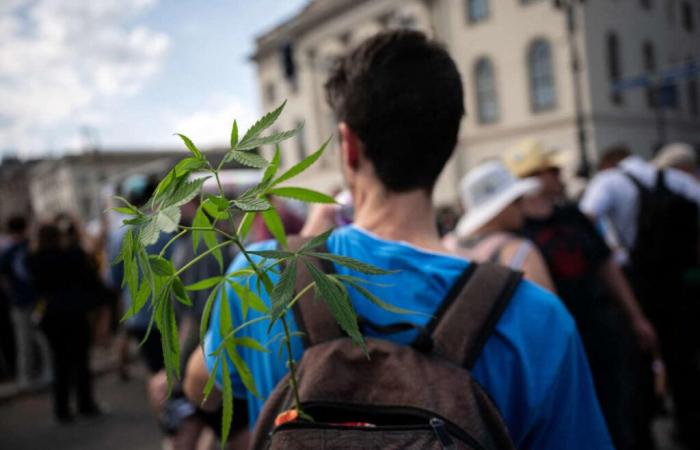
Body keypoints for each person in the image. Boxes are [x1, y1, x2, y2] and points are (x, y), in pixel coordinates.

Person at [184, 30, 612, 449]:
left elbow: (200, 385)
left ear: (348, 146)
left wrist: (299, 255)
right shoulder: (535, 317)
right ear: (449, 148)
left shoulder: (260, 276)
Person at [504, 138, 660, 450]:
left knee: (622, 414)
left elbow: (606, 266)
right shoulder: (515, 230)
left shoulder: (572, 216)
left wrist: (636, 316)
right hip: (557, 348)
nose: (561, 174)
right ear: (532, 176)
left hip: (600, 333)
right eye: (553, 169)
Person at [580, 144, 700, 449]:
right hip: (679, 283)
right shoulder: (672, 178)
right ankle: (689, 428)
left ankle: (643, 436)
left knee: (639, 363)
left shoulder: (609, 182)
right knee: (683, 359)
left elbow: (587, 219)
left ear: (607, 163)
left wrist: (612, 253)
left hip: (637, 282)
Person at [28, 218, 104, 423]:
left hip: (51, 314)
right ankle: (85, 403)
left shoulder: (34, 258)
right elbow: (90, 276)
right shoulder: (71, 255)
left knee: (59, 362)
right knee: (80, 360)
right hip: (74, 312)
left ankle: (62, 409)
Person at [443, 160, 555, 292]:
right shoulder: (519, 251)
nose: (522, 207)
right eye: (516, 201)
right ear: (502, 207)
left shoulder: (445, 246)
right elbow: (545, 310)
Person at [0, 216, 51, 390]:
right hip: (36, 300)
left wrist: (12, 296)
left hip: (20, 302)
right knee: (42, 338)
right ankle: (47, 372)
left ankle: (26, 376)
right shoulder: (31, 247)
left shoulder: (8, 252)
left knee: (25, 341)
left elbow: (4, 279)